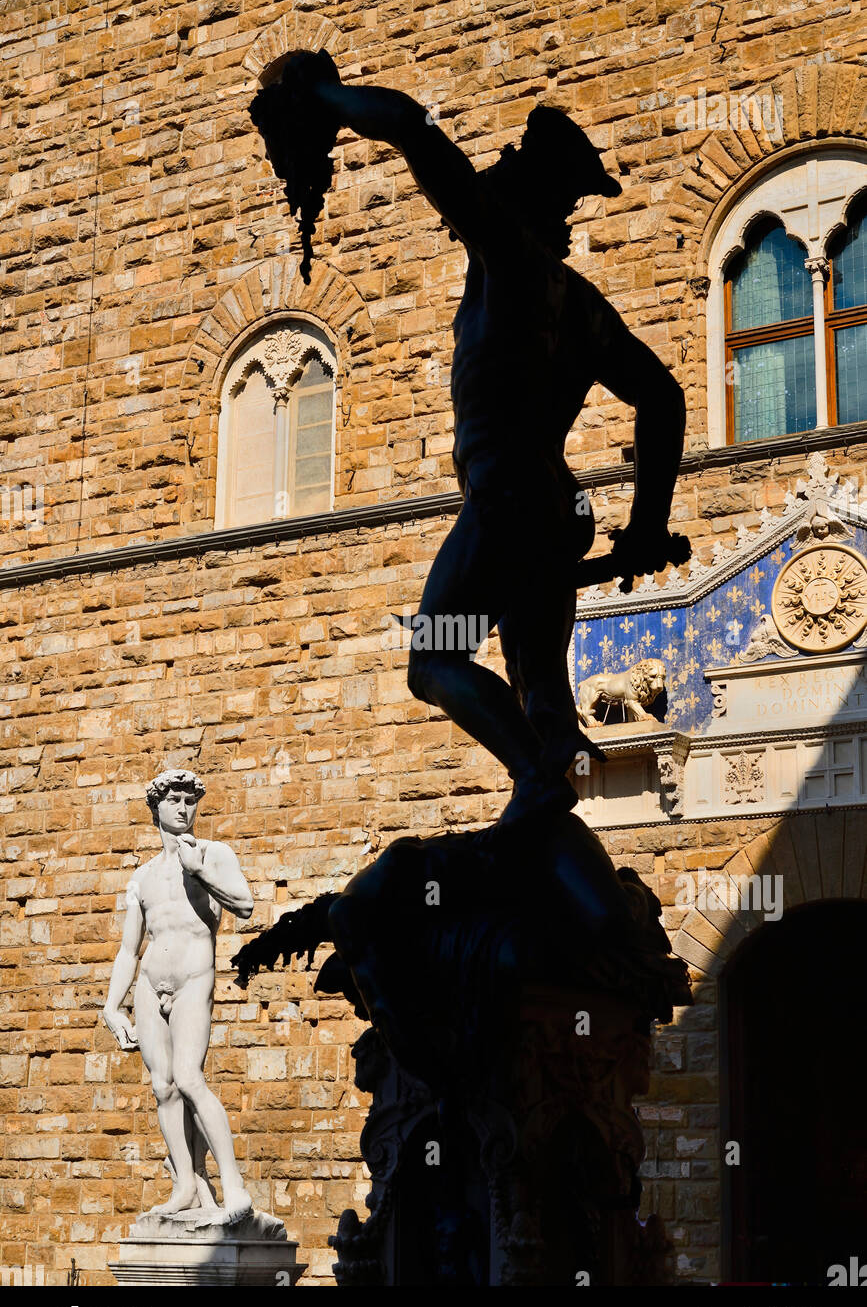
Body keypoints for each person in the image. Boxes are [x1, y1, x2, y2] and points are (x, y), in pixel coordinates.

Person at [253, 55, 689, 824]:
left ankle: (536, 781)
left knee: (434, 656)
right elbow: (661, 395)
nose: (495, 168)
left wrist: (323, 96)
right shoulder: (582, 306)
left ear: (527, 189)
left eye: (512, 163)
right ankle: (548, 802)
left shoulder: (506, 253)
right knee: (540, 682)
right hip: (557, 509)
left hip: (507, 497)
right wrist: (646, 522)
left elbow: (416, 132)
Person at [103, 769, 254, 1220]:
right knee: (163, 1087)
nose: (183, 808)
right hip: (151, 983)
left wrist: (201, 872)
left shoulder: (213, 853)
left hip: (192, 978)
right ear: (156, 808)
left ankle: (234, 1186)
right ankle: (186, 1184)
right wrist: (112, 1006)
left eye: (190, 800)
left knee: (189, 1078)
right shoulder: (143, 876)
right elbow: (129, 949)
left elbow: (245, 906)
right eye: (174, 800)